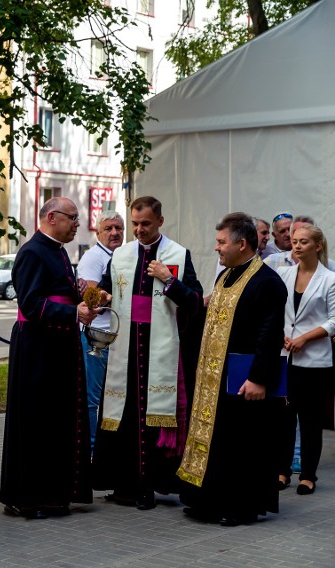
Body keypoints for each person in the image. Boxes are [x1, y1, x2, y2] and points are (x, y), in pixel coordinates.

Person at [94, 196, 203, 510]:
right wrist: (99, 295)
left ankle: (153, 484)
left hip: (160, 351)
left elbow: (194, 302)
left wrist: (169, 280)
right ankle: (126, 484)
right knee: (126, 420)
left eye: (146, 224)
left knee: (153, 421)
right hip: (126, 350)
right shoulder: (121, 255)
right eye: (135, 224)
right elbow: (107, 288)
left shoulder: (178, 255)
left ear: (160, 222)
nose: (139, 230)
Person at [179, 212, 287, 526]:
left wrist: (258, 378)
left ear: (241, 244)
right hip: (215, 379)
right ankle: (208, 501)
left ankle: (242, 507)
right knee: (219, 442)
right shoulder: (225, 276)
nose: (217, 248)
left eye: (221, 242)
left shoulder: (267, 281)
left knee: (243, 445)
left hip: (245, 379)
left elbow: (269, 335)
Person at [0, 197, 98, 519]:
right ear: (52, 217)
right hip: (37, 349)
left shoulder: (56, 250)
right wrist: (74, 312)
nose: (77, 224)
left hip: (57, 346)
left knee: (56, 422)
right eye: (73, 218)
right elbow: (31, 304)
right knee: (36, 422)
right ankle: (29, 496)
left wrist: (83, 297)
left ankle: (55, 493)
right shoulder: (32, 252)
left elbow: (58, 290)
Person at [275, 225, 335, 496]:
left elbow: (333, 321)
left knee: (310, 420)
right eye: (294, 242)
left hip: (314, 360)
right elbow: (275, 311)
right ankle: (282, 470)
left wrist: (305, 338)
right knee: (284, 418)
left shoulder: (329, 280)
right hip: (286, 355)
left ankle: (308, 475)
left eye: (303, 242)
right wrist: (282, 337)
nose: (296, 246)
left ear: (318, 246)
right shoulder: (283, 274)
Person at [78, 210, 124, 450]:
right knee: (91, 399)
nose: (115, 233)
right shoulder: (93, 258)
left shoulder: (124, 255)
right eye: (109, 228)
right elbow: (91, 300)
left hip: (115, 338)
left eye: (118, 228)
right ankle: (91, 450)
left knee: (111, 398)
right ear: (98, 232)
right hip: (96, 339)